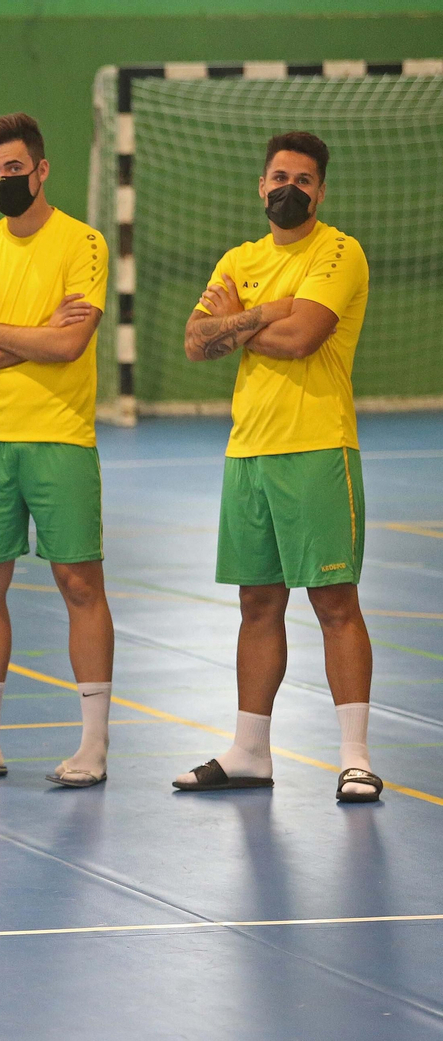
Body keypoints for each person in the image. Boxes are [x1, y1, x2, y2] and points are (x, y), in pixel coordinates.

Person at [173, 131, 379, 803]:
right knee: (256, 603)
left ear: (320, 191)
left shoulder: (339, 251)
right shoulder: (240, 256)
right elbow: (196, 341)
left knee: (334, 601)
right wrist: (269, 312)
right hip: (249, 453)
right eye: (279, 176)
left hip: (318, 447)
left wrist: (244, 318)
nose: (290, 187)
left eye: (305, 179)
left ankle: (355, 757)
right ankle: (250, 750)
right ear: (260, 186)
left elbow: (304, 336)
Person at [0, 113, 115, 789]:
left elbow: (70, 344)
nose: (3, 180)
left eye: (14, 169)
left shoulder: (84, 243)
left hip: (61, 437)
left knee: (79, 585)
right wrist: (30, 332)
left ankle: (92, 745)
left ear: (41, 169)